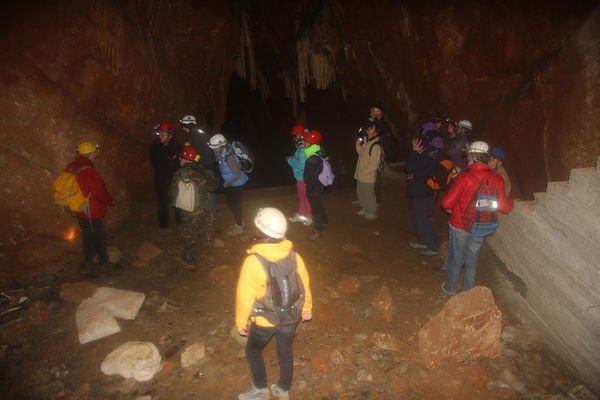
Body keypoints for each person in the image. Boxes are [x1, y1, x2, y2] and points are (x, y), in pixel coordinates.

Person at [236, 207, 312, 400]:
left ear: (259, 230)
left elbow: (244, 296)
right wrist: (307, 308)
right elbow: (305, 284)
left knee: (253, 350)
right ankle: (283, 388)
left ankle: (260, 389)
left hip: (265, 320)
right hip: (291, 317)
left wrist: (241, 322)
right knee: (285, 353)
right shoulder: (294, 255)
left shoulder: (253, 261)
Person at [440, 141, 514, 295]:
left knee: (456, 258)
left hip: (460, 225)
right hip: (480, 226)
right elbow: (505, 207)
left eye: (469, 156)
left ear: (473, 156)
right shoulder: (498, 180)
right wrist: (513, 203)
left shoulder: (464, 178)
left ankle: (450, 288)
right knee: (472, 260)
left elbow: (446, 202)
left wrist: (453, 208)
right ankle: (468, 293)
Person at [66, 141, 115, 277]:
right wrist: (109, 200)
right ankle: (102, 262)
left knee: (87, 234)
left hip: (79, 207)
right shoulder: (87, 170)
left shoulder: (72, 166)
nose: (95, 155)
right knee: (97, 235)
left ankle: (88, 259)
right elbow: (98, 190)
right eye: (94, 153)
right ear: (90, 153)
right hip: (90, 209)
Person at [169, 145, 219, 270]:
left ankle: (190, 261)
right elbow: (214, 186)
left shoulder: (179, 173)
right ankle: (209, 259)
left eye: (181, 158)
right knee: (207, 234)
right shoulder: (202, 170)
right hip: (205, 209)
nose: (180, 160)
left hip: (189, 211)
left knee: (190, 236)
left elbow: (172, 192)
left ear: (185, 158)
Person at [209, 133, 248, 236]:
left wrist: (226, 185)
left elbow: (238, 175)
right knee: (231, 203)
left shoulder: (229, 157)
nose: (213, 150)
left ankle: (240, 226)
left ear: (220, 146)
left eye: (214, 148)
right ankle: (239, 221)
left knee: (235, 205)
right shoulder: (223, 151)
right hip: (230, 183)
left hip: (237, 184)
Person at [405, 137, 439, 256]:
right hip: (418, 192)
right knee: (418, 218)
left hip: (422, 194)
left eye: (415, 144)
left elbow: (408, 166)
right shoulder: (425, 155)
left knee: (423, 220)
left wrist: (414, 152)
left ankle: (433, 247)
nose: (413, 145)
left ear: (419, 145)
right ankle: (422, 240)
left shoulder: (427, 157)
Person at [180, 115, 217, 218]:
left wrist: (198, 166)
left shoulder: (195, 135)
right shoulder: (197, 133)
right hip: (207, 166)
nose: (183, 128)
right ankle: (210, 215)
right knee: (207, 191)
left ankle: (211, 216)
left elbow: (201, 153)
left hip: (204, 167)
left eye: (184, 126)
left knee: (208, 192)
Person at [150, 122, 183, 232]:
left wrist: (170, 161)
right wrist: (170, 160)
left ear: (170, 135)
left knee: (177, 200)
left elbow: (179, 163)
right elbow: (154, 162)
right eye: (160, 134)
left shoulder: (177, 146)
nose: (160, 137)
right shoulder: (155, 145)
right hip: (160, 178)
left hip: (173, 178)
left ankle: (180, 222)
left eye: (163, 135)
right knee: (162, 202)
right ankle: (163, 226)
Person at [303, 129, 329, 240]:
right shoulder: (318, 152)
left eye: (305, 140)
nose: (303, 142)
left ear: (312, 142)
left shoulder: (312, 159)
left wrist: (309, 188)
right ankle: (324, 222)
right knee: (318, 204)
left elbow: (310, 177)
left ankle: (317, 231)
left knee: (315, 208)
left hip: (314, 187)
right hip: (319, 185)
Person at [286, 124, 313, 226]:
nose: (294, 138)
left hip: (303, 177)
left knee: (305, 198)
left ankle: (309, 217)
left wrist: (290, 161)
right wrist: (293, 158)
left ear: (301, 136)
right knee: (302, 197)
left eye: (295, 135)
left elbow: (302, 166)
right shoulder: (303, 147)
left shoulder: (302, 149)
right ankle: (301, 214)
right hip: (302, 177)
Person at [354, 122, 381, 220]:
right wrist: (358, 144)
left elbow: (374, 164)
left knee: (369, 194)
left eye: (371, 129)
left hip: (368, 176)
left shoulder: (376, 146)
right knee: (361, 193)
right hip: (361, 174)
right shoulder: (368, 142)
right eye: (368, 128)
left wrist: (364, 171)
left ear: (376, 132)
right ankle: (365, 209)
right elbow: (361, 153)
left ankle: (372, 212)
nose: (368, 130)